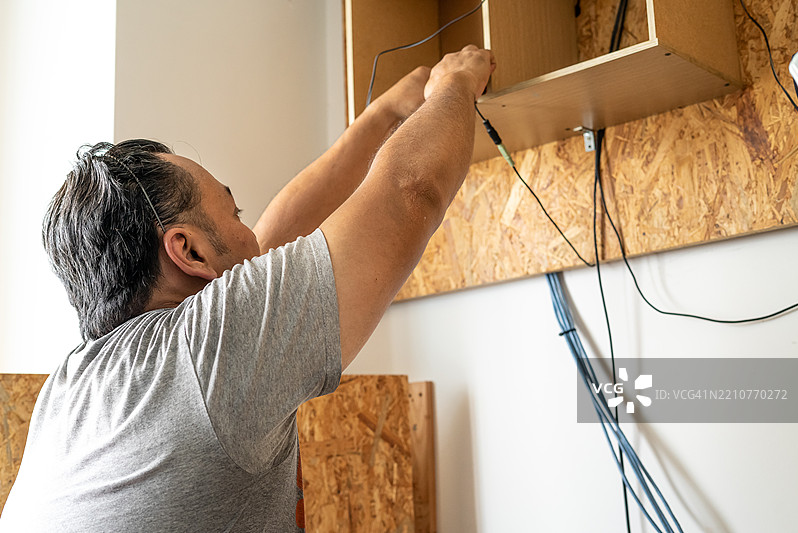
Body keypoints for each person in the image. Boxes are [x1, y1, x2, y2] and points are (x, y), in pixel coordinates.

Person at [0, 45, 495, 532]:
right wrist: (457, 83)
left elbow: (269, 249)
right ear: (189, 253)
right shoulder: (205, 354)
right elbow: (412, 190)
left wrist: (385, 113)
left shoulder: (72, 387)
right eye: (233, 213)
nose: (249, 232)